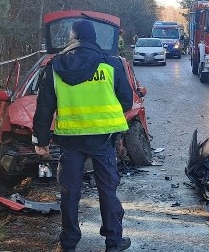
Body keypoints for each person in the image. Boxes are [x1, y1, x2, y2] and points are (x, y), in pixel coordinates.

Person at [33, 20, 132, 252]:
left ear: (71, 38)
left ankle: (68, 243)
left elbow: (44, 107)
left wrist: (41, 141)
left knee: (69, 193)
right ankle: (113, 242)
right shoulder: (111, 64)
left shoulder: (55, 66)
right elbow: (127, 101)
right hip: (103, 139)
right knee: (107, 191)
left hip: (70, 140)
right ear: (94, 37)